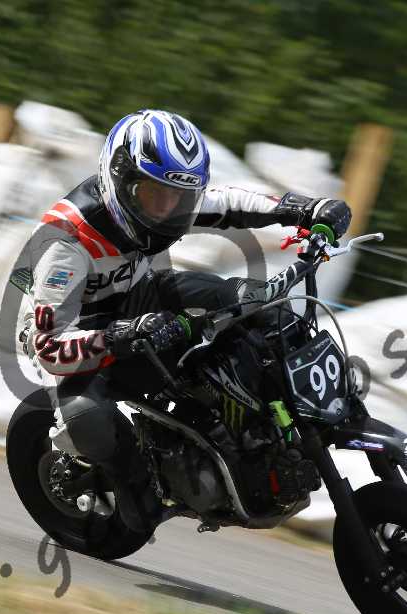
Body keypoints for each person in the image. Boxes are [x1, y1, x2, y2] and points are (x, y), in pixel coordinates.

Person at [18, 109, 351, 534]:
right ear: (120, 180)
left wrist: (305, 209)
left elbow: (227, 203)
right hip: (81, 333)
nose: (167, 209)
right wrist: (122, 336)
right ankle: (137, 484)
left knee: (246, 302)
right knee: (91, 424)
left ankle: (265, 424)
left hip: (137, 299)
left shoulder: (165, 198)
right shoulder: (66, 242)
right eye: (154, 194)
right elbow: (49, 348)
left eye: (179, 197)